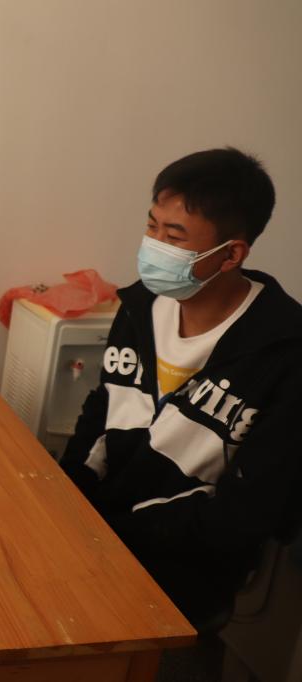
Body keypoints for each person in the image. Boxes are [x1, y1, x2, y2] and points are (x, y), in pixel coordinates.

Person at [60, 147, 302, 627]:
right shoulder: (141, 307)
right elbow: (104, 407)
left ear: (231, 254)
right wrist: (65, 499)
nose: (153, 246)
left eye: (173, 237)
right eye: (151, 226)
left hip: (179, 570)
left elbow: (248, 510)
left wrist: (112, 533)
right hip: (95, 535)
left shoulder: (284, 350)